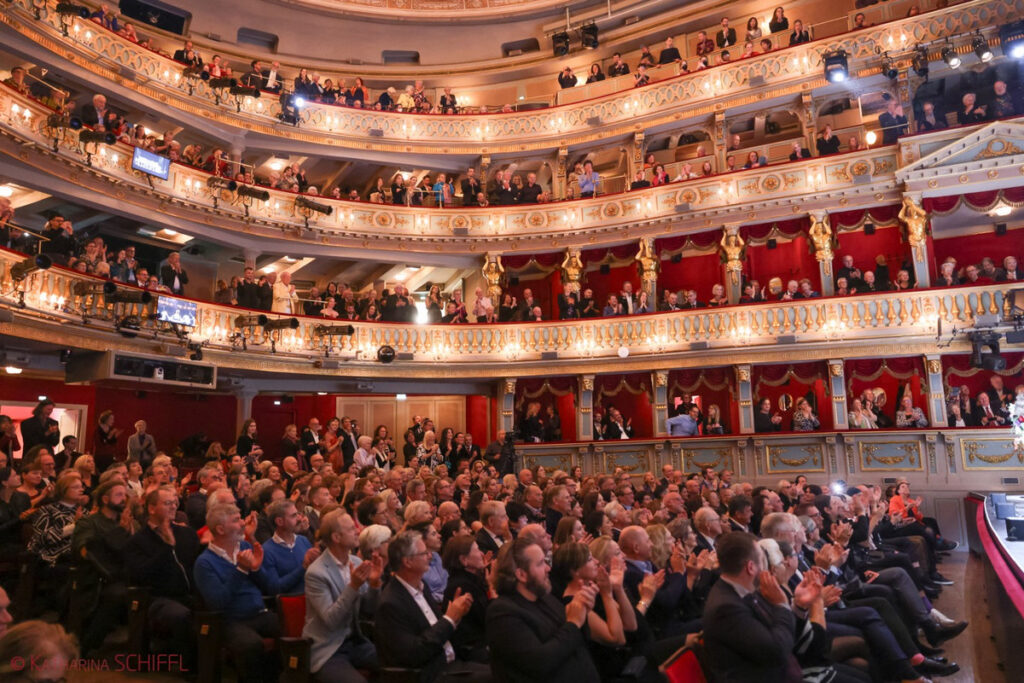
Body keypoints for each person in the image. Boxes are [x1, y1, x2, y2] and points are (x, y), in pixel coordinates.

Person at [375, 531, 488, 681]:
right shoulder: (391, 603)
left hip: (449, 661)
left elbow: (436, 629)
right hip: (429, 673)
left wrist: (456, 616)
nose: (430, 556)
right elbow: (414, 653)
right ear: (408, 562)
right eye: (424, 553)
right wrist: (449, 619)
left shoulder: (422, 586)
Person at [486, 537, 600, 682]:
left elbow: (578, 640)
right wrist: (573, 623)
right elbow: (539, 663)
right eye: (541, 563)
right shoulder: (502, 613)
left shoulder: (545, 597)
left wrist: (582, 610)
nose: (548, 568)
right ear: (521, 574)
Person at [194, 504, 280, 683]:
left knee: (295, 629)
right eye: (236, 520)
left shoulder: (245, 547)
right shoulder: (205, 563)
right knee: (251, 645)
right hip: (231, 620)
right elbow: (218, 602)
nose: (242, 524)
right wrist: (241, 569)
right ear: (220, 529)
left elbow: (270, 587)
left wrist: (255, 569)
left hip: (259, 613)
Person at [702, 531, 797, 682]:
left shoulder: (743, 589)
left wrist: (799, 606)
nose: (765, 567)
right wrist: (781, 604)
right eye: (762, 560)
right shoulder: (726, 608)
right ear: (751, 567)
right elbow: (776, 652)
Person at [303, 509, 382, 681]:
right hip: (328, 648)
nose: (358, 531)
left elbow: (368, 610)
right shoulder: (316, 573)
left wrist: (374, 585)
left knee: (400, 662)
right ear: (336, 537)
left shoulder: (356, 562)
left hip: (356, 642)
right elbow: (331, 620)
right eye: (351, 528)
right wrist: (353, 586)